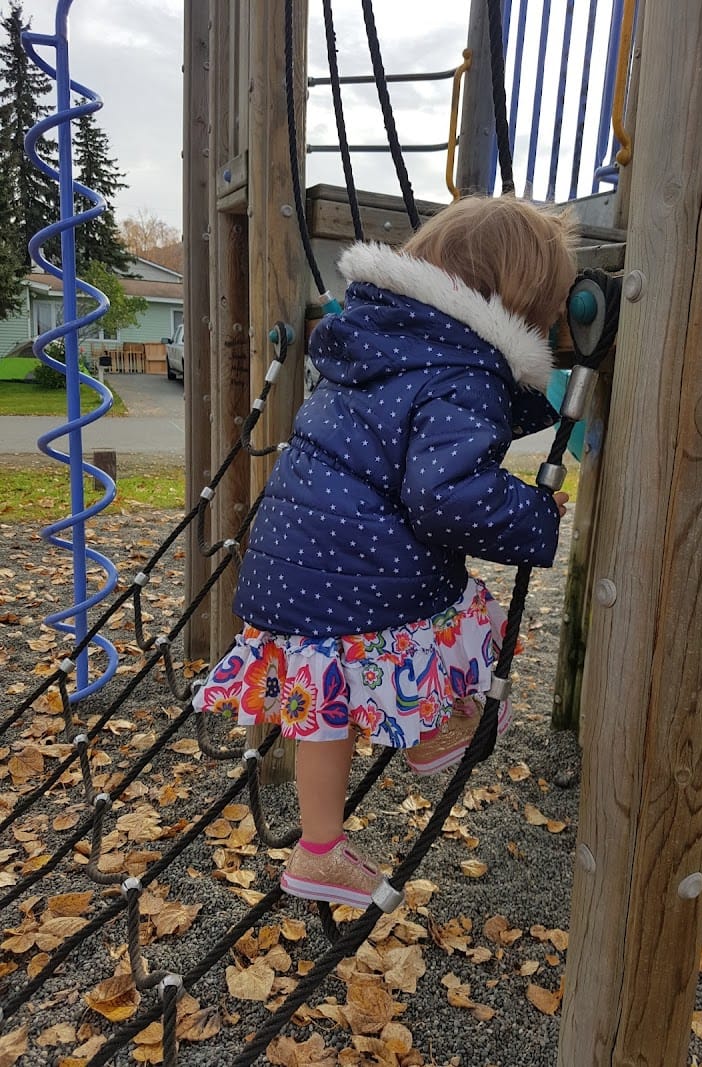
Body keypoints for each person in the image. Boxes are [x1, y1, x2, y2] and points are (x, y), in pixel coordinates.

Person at [193, 195, 576, 910]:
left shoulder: (378, 340)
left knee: (323, 705)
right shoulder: (465, 372)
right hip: (358, 569)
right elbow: (446, 496)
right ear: (520, 305)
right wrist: (530, 510)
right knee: (470, 613)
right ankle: (437, 730)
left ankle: (318, 849)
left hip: (286, 563)